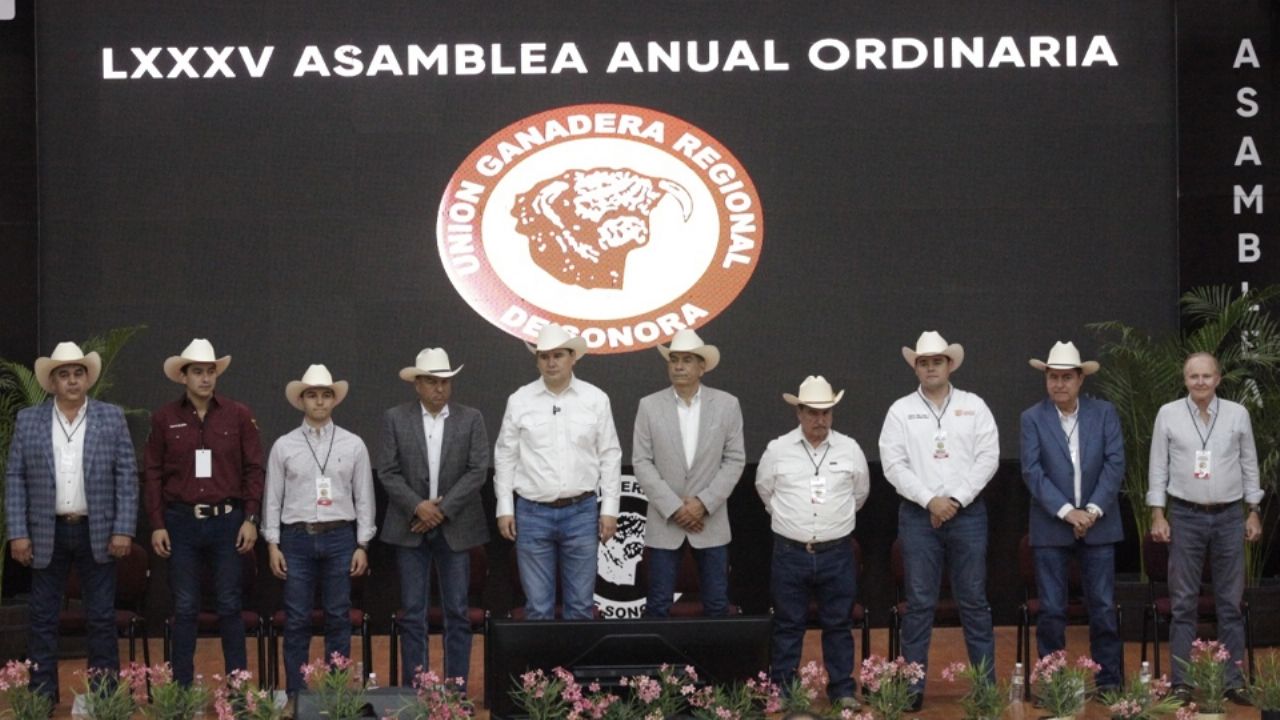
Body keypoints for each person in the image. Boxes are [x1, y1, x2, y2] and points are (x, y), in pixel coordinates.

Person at [5, 342, 138, 703]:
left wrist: (123, 528)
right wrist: (17, 532)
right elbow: (15, 476)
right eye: (64, 374)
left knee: (100, 619)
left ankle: (105, 697)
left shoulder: (110, 417)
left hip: (98, 531)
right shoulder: (29, 420)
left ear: (87, 379)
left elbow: (126, 475)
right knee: (42, 619)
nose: (73, 380)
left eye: (78, 373)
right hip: (46, 532)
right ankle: (42, 698)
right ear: (51, 382)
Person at [878, 331, 998, 709]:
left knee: (975, 603)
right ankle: (912, 691)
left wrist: (955, 501)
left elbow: (988, 457)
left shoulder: (974, 405)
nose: (931, 367)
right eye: (924, 362)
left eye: (937, 361)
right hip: (918, 516)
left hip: (968, 515)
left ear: (950, 365)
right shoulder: (900, 410)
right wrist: (930, 500)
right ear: (916, 367)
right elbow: (893, 464)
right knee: (919, 605)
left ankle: (984, 689)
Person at [144, 338, 264, 685]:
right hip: (180, 522)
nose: (206, 378)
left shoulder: (239, 414)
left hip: (228, 520)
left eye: (210, 371)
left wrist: (250, 519)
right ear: (183, 377)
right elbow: (152, 473)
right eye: (198, 372)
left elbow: (254, 469)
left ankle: (238, 690)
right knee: (184, 608)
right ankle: (181, 692)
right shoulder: (165, 418)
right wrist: (157, 523)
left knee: (230, 606)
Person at [1147, 352, 1261, 706]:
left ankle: (1233, 681)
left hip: (1229, 516)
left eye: (1206, 376)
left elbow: (1249, 464)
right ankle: (1181, 682)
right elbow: (1157, 467)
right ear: (1185, 379)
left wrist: (1253, 510)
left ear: (1218, 378)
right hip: (1184, 516)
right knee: (1183, 604)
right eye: (1193, 376)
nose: (1200, 382)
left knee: (1230, 603)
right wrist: (1157, 514)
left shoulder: (1237, 414)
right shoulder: (1168, 414)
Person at [494, 324, 622, 619]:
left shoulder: (595, 398)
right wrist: (505, 508)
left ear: (573, 357)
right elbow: (505, 456)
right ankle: (541, 668)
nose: (551, 362)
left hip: (581, 511)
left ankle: (573, 668)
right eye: (544, 356)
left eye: (558, 355)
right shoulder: (520, 400)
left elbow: (610, 455)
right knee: (537, 609)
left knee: (580, 608)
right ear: (537, 360)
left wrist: (610, 509)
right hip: (532, 512)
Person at [756, 376, 869, 709]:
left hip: (837, 552)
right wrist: (793, 522)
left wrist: (834, 522)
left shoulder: (850, 448)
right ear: (799, 413)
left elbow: (859, 493)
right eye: (812, 412)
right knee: (788, 625)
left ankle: (842, 690)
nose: (820, 420)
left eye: (826, 412)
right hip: (791, 553)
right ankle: (784, 691)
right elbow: (765, 490)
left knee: (839, 623)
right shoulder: (778, 449)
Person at [263, 365, 375, 701]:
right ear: (301, 400)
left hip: (341, 537)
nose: (320, 401)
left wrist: (362, 544)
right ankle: (298, 695)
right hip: (296, 539)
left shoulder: (353, 444)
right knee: (296, 619)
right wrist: (272, 544)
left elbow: (364, 496)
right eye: (312, 395)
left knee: (339, 617)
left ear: (334, 400)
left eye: (326, 395)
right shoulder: (284, 446)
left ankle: (336, 693)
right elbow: (273, 498)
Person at [379, 348, 489, 687]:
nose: (439, 388)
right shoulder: (395, 418)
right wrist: (418, 506)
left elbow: (477, 471)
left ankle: (456, 690)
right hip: (409, 525)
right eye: (431, 381)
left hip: (456, 526)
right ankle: (419, 692)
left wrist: (440, 510)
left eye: (444, 381)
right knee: (413, 613)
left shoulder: (471, 418)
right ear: (417, 385)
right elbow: (387, 471)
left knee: (457, 611)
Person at [1020, 340, 1124, 691]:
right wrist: (1068, 513)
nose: (1059, 384)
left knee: (1104, 608)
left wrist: (1091, 510)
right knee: (1051, 610)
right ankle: (1054, 684)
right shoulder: (1032, 418)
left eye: (1066, 377)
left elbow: (1115, 464)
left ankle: (1109, 682)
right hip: (1052, 527)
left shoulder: (1104, 413)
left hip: (1100, 523)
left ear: (1081, 380)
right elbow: (1032, 472)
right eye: (1052, 377)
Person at [633, 328, 745, 617]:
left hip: (710, 521)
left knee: (717, 605)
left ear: (702, 367)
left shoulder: (727, 405)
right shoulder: (648, 405)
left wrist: (703, 504)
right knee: (657, 605)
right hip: (665, 522)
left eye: (686, 360)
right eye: (674, 360)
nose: (679, 366)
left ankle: (713, 665)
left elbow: (734, 460)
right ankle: (659, 664)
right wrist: (674, 508)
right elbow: (642, 462)